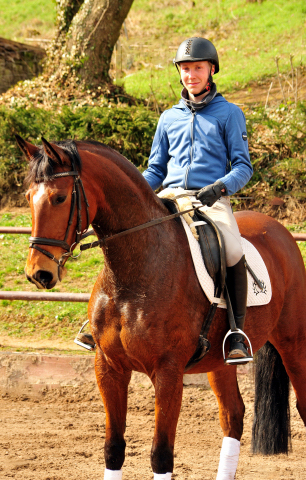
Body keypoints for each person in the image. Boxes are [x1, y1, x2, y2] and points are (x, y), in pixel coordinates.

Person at [142, 37, 253, 364]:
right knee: (129, 236)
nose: (191, 74)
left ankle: (236, 331)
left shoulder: (229, 114)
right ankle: (100, 317)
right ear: (179, 73)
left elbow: (243, 166)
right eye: (186, 68)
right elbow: (156, 168)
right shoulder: (167, 118)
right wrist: (139, 191)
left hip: (211, 199)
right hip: (170, 197)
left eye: (198, 68)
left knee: (232, 250)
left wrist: (219, 188)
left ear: (211, 70)